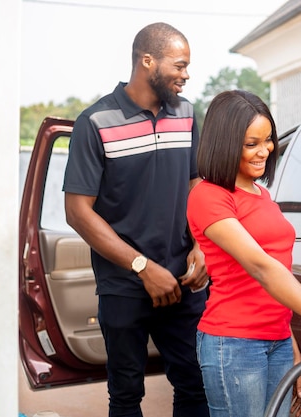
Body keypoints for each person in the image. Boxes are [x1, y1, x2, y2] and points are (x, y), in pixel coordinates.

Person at [187, 90, 301, 417]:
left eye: (268, 139)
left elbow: (274, 282)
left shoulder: (262, 194)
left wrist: (291, 345)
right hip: (235, 344)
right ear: (226, 144)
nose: (265, 150)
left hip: (278, 342)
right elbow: (262, 268)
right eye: (251, 143)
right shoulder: (208, 195)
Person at [62, 22, 209, 417]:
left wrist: (200, 245)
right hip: (125, 285)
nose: (186, 74)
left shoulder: (188, 114)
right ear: (148, 61)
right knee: (126, 395)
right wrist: (142, 267)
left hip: (183, 281)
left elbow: (196, 185)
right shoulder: (94, 122)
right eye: (179, 65)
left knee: (196, 383)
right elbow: (77, 212)